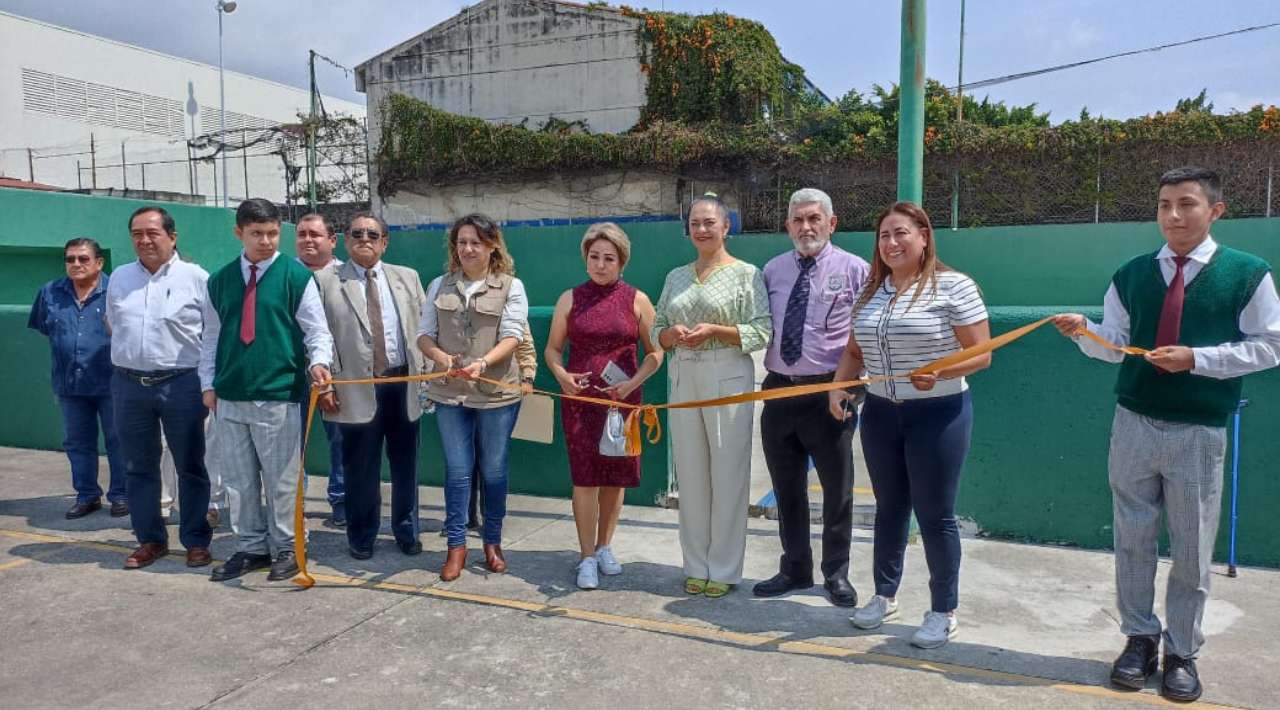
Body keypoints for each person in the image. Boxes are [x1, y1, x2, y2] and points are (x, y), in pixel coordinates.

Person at [1051, 167, 1280, 702]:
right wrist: (1084, 333)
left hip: (1199, 430)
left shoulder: (1247, 274)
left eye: (1186, 204)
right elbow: (1115, 344)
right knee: (1131, 537)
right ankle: (1139, 638)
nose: (1173, 216)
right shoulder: (1131, 274)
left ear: (1215, 210)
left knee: (1193, 549)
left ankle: (1182, 651)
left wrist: (1197, 359)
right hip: (1132, 421)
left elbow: (1271, 345)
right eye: (1163, 205)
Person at [831, 201, 990, 649]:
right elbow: (854, 351)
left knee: (935, 515)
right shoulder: (872, 292)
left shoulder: (954, 287)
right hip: (881, 413)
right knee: (889, 508)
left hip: (939, 414)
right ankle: (884, 596)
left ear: (924, 237)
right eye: (884, 235)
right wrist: (836, 388)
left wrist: (940, 371)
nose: (892, 243)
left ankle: (943, 610)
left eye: (901, 233)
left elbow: (981, 352)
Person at [200, 199, 334, 582]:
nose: (266, 241)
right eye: (257, 233)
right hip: (230, 396)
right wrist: (208, 384)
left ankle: (288, 547)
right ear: (239, 233)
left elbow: (316, 330)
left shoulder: (295, 276)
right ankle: (250, 547)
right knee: (239, 481)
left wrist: (319, 362)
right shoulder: (220, 280)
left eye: (273, 233)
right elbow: (210, 338)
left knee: (282, 480)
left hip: (278, 395)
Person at [652, 194, 772, 599]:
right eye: (695, 223)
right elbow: (658, 327)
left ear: (726, 227)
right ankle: (695, 564)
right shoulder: (675, 276)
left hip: (728, 373)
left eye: (709, 222)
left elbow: (761, 329)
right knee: (691, 474)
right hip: (684, 372)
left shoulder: (745, 274)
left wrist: (716, 332)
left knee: (727, 474)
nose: (701, 229)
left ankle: (722, 567)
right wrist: (668, 336)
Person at [754, 189, 869, 607]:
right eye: (798, 220)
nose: (806, 227)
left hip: (830, 391)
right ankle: (795, 568)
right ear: (787, 226)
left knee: (837, 490)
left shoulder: (857, 270)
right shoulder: (771, 271)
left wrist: (852, 386)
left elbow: (865, 334)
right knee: (787, 488)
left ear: (831, 223)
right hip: (779, 389)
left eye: (814, 219)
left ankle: (835, 573)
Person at [545, 222, 664, 590]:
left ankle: (604, 547)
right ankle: (585, 558)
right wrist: (562, 375)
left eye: (608, 258)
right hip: (580, 402)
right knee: (585, 478)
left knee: (616, 477)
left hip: (622, 404)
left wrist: (632, 385)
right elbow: (552, 349)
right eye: (594, 257)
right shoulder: (570, 299)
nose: (600, 264)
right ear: (585, 259)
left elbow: (656, 352)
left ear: (621, 261)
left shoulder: (637, 300)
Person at [417, 213, 528, 581]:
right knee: (458, 471)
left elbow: (513, 336)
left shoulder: (511, 286)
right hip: (450, 395)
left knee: (494, 471)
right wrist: (442, 359)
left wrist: (483, 362)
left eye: (475, 243)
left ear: (492, 245)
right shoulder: (439, 285)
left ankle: (492, 543)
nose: (467, 249)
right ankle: (455, 547)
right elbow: (424, 335)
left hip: (495, 395)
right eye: (462, 242)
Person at [315, 213, 428, 561]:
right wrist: (325, 385)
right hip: (355, 387)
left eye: (373, 233)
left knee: (405, 465)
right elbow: (317, 335)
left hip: (403, 383)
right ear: (345, 239)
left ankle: (407, 531)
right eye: (357, 233)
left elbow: (424, 329)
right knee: (359, 467)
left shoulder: (407, 278)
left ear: (384, 241)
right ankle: (362, 534)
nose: (365, 238)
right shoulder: (325, 280)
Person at [106, 206, 213, 569]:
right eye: (137, 233)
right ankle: (150, 540)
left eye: (152, 232)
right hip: (129, 385)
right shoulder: (119, 277)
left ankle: (196, 539)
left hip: (182, 383)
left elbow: (212, 334)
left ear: (172, 236)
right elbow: (112, 324)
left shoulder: (196, 277)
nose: (145, 240)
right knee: (138, 466)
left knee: (190, 465)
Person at [28, 237, 127, 519]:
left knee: (118, 440)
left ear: (99, 262)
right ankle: (87, 496)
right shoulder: (50, 292)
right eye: (70, 259)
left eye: (83, 259)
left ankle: (121, 495)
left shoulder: (116, 292)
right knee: (76, 441)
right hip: (70, 384)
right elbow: (46, 328)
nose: (76, 264)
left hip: (112, 382)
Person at [295, 212, 347, 528]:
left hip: (338, 373)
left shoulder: (348, 275)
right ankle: (293, 502)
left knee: (341, 440)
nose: (308, 240)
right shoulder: (284, 273)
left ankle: (341, 501)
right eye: (302, 234)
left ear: (331, 240)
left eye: (315, 234)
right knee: (290, 443)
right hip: (290, 375)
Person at [466, 323, 538, 531]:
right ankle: (464, 517)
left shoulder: (509, 295)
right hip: (460, 393)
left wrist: (527, 376)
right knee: (461, 460)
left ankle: (491, 521)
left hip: (498, 393)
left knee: (493, 462)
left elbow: (524, 342)